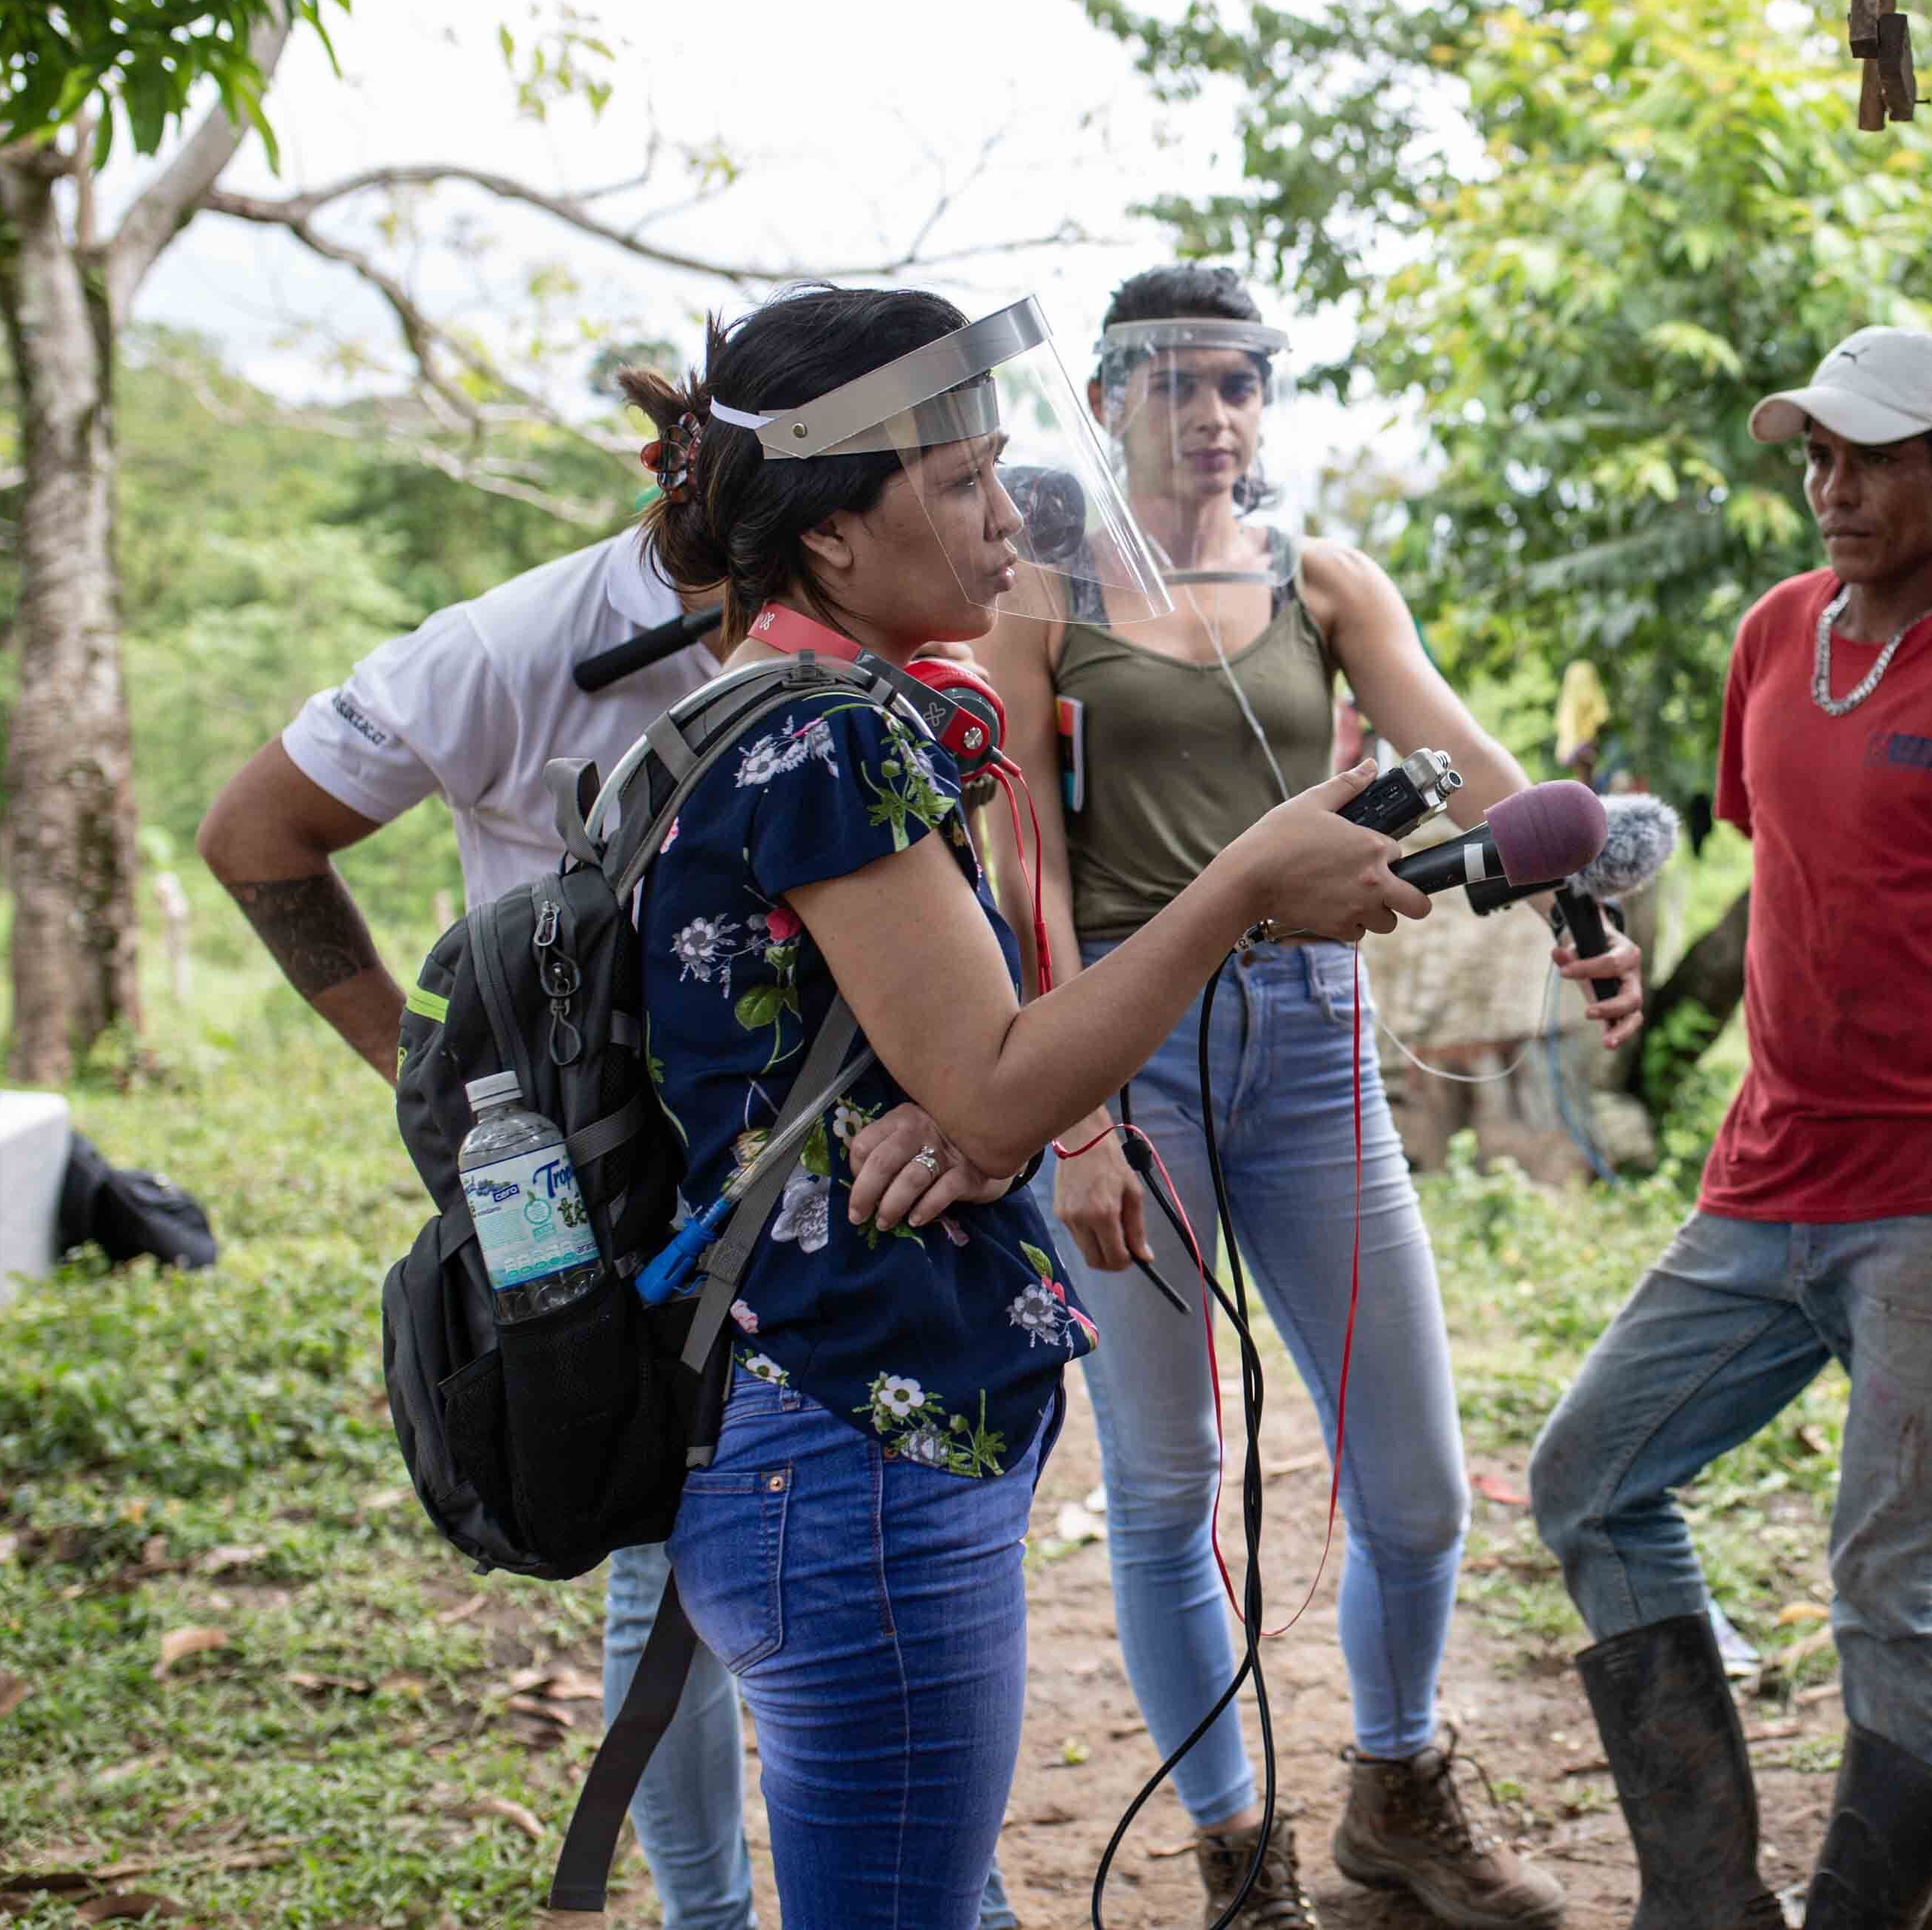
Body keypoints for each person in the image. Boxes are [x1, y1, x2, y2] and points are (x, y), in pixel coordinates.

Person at [608, 280, 1427, 1929]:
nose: (1010, 525)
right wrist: (1248, 876)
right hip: (850, 1437)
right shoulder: (832, 741)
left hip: (812, 1417)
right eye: (965, 486)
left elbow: (927, 1073)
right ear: (835, 535)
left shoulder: (768, 715)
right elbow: (991, 1093)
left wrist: (956, 1106)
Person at [199, 519, 1020, 1930]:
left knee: (856, 1642)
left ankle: (933, 1882)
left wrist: (963, 1093)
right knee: (657, 1548)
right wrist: (452, 1094)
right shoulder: (504, 648)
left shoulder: (875, 631)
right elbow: (254, 832)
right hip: (607, 1185)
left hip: (798, 1175)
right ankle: (709, 1908)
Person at [975, 262, 1639, 1930]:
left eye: (1242, 383)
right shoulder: (1043, 596)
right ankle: (1234, 1855)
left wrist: (1575, 898)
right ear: (1114, 396)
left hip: (1315, 1042)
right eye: (1181, 383)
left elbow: (1482, 768)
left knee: (1411, 1480)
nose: (1215, 415)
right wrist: (1072, 1110)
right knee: (1167, 1478)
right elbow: (1022, 858)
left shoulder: (1322, 580)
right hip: (1136, 1045)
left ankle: (1397, 1795)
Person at [1528, 327, 1932, 1930]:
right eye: (1818, 454)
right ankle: (1710, 1902)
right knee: (1588, 1479)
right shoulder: (1772, 638)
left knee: (1892, 1582)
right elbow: (1792, 883)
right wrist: (1642, 994)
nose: (1834, 485)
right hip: (1763, 1181)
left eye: (1875, 456)